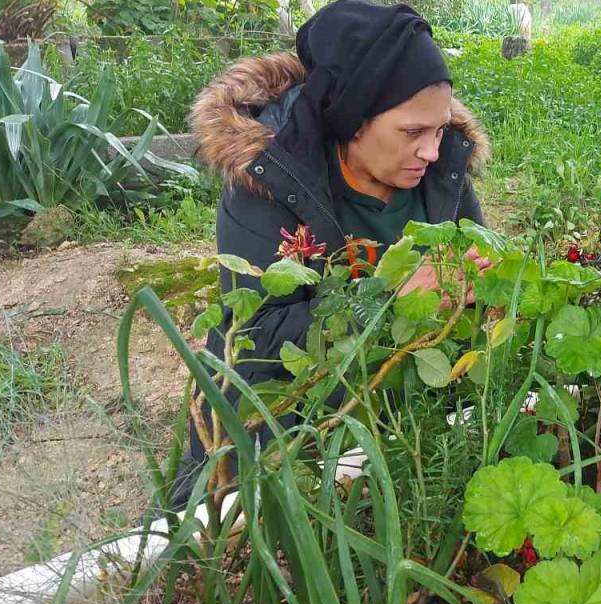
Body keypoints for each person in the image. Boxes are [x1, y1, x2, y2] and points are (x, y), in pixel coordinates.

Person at [175, 0, 490, 504]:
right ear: (351, 119)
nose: (432, 151)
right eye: (412, 132)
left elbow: (476, 269)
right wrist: (390, 296)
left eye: (438, 129)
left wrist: (482, 288)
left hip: (405, 407)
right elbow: (258, 334)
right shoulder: (270, 178)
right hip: (289, 418)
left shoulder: (442, 170)